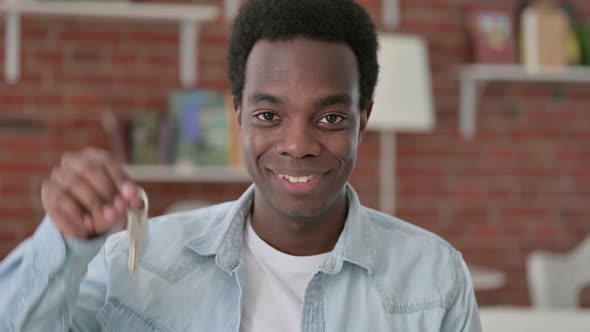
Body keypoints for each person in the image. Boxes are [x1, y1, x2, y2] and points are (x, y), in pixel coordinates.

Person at [0, 0, 482, 331]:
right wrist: (61, 244)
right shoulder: (137, 262)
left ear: (364, 120)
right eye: (269, 116)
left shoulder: (433, 279)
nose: (297, 144)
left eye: (330, 117)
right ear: (238, 117)